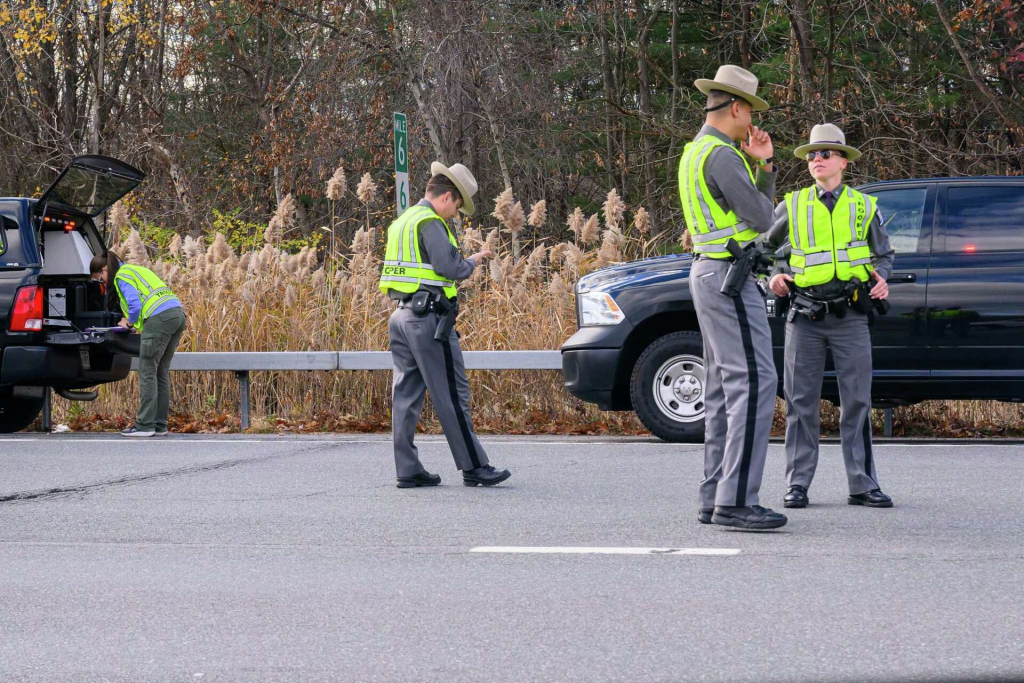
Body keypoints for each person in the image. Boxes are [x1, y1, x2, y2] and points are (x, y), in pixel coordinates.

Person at [766, 123, 896, 509]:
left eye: (824, 153)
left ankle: (863, 484)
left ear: (843, 160)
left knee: (857, 401)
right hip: (804, 316)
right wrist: (773, 276)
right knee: (800, 402)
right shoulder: (792, 205)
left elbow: (884, 254)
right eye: (811, 154)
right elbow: (764, 250)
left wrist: (882, 280)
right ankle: (797, 484)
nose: (816, 160)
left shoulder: (863, 206)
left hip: (852, 315)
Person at [680, 65, 787, 529]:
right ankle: (737, 501)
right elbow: (765, 218)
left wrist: (758, 165)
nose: (753, 125)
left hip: (708, 273)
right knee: (756, 381)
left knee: (723, 388)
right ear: (736, 107)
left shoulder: (694, 151)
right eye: (750, 113)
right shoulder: (723, 156)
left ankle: (715, 496)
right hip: (730, 275)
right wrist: (765, 166)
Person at [378, 162, 511, 488]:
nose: (455, 214)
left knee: (405, 395)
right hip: (429, 320)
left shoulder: (402, 222)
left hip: (400, 317)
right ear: (447, 197)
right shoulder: (430, 222)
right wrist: (474, 261)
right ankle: (475, 467)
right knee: (453, 394)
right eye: (456, 207)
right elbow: (449, 267)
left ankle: (408, 469)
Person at [91, 251, 187, 437]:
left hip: (159, 318)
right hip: (177, 314)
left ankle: (144, 425)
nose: (102, 282)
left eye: (100, 277)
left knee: (147, 370)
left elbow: (135, 304)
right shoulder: (136, 270)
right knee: (160, 372)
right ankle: (159, 425)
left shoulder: (121, 276)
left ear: (104, 269)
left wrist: (129, 322)